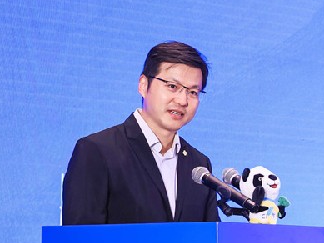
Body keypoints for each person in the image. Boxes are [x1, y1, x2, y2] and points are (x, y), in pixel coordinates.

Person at [62, 41, 219, 224]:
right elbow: (79, 238)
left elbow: (211, 238)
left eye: (193, 92)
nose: (183, 100)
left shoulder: (199, 166)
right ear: (143, 85)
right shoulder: (97, 151)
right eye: (172, 86)